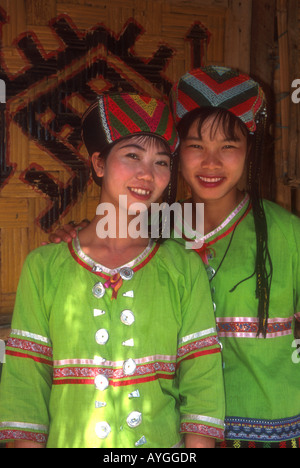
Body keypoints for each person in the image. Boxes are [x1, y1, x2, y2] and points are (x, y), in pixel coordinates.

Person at [52, 67, 300, 448]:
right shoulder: (152, 230)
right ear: (175, 153)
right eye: (195, 145)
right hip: (167, 433)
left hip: (269, 431)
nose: (212, 162)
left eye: (229, 146)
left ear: (250, 149)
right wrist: (78, 233)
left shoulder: (288, 234)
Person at [0, 92, 225, 448]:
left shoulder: (182, 268)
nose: (147, 174)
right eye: (132, 156)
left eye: (162, 162)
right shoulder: (46, 266)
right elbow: (27, 383)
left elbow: (203, 382)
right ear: (99, 163)